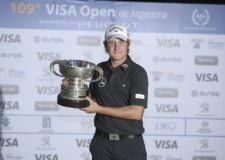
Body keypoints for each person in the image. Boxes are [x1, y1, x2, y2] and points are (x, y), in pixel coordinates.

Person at [81, 24, 149, 160]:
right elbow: (93, 101)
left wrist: (99, 109)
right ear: (105, 45)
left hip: (130, 146)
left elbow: (136, 113)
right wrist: (75, 87)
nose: (117, 47)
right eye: (112, 42)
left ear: (128, 43)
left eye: (121, 42)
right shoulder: (99, 69)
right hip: (101, 143)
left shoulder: (137, 72)